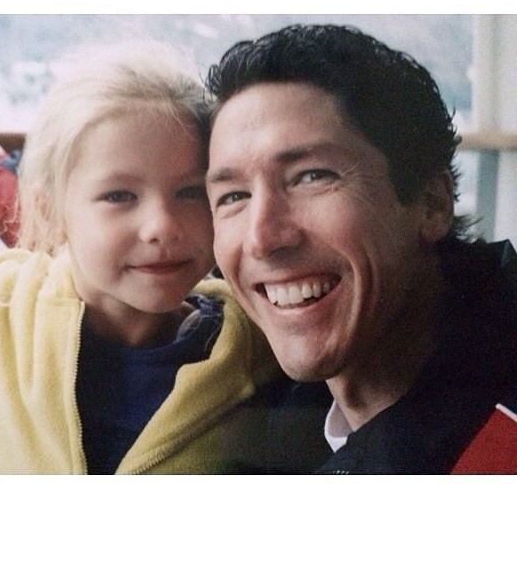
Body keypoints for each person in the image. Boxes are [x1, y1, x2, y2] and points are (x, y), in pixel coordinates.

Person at [0, 42, 305, 475]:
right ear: (48, 211)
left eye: (191, 192)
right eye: (119, 195)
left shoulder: (268, 337)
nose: (162, 226)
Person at [203, 24, 517, 474]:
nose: (262, 238)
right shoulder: (243, 413)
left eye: (311, 176)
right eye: (233, 196)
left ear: (431, 204)